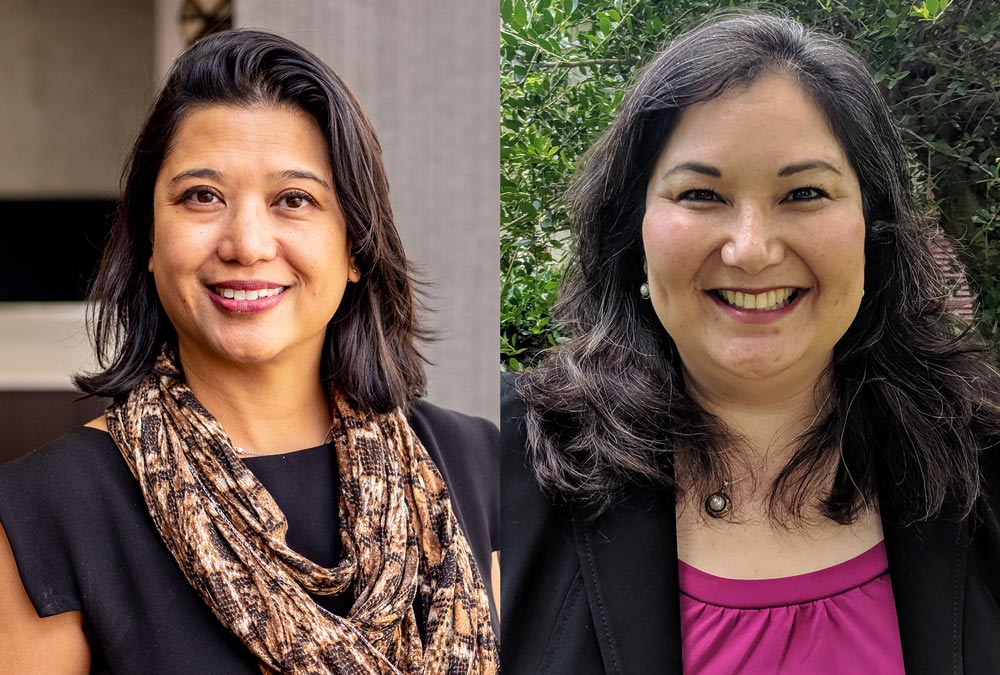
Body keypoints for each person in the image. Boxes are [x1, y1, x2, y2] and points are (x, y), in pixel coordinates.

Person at [502, 12, 1000, 675]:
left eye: (804, 193)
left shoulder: (986, 460)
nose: (752, 249)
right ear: (636, 228)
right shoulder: (491, 467)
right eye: (702, 194)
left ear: (871, 225)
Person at [0, 30, 499, 674]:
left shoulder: (478, 466)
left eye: (294, 199)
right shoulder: (44, 511)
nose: (246, 243)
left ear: (354, 248)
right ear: (150, 240)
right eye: (202, 197)